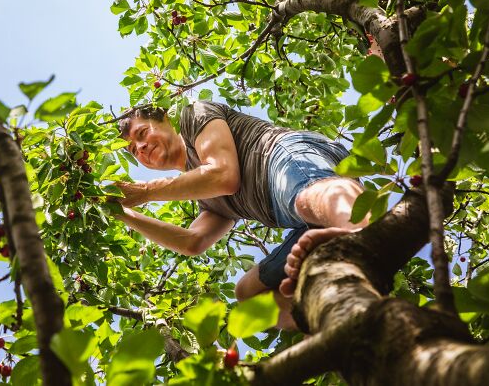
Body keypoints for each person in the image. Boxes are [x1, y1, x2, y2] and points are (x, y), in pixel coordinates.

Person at [114, 101, 369, 329]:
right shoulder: (207, 198)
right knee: (248, 293)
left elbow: (224, 176)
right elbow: (192, 242)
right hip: (306, 218)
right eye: (134, 150)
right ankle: (334, 320)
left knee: (305, 196)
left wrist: (144, 192)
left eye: (142, 133)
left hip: (284, 156)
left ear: (165, 120)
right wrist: (122, 212)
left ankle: (364, 236)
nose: (141, 146)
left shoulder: (193, 114)